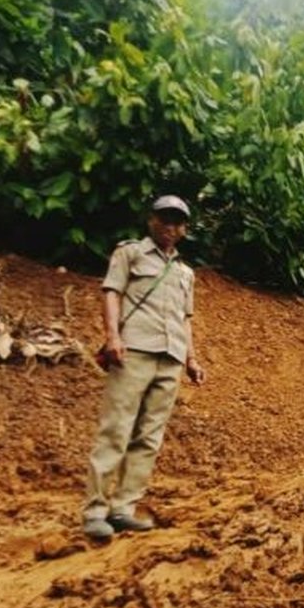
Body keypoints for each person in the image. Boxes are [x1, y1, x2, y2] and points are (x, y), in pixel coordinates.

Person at [82, 195, 206, 539]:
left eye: (178, 222)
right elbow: (111, 292)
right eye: (165, 219)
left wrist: (191, 359)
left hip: (170, 358)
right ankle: (95, 511)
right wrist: (112, 337)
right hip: (133, 351)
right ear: (151, 220)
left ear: (185, 229)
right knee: (116, 429)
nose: (171, 227)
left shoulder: (185, 272)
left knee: (149, 437)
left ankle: (122, 509)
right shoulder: (131, 253)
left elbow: (185, 319)